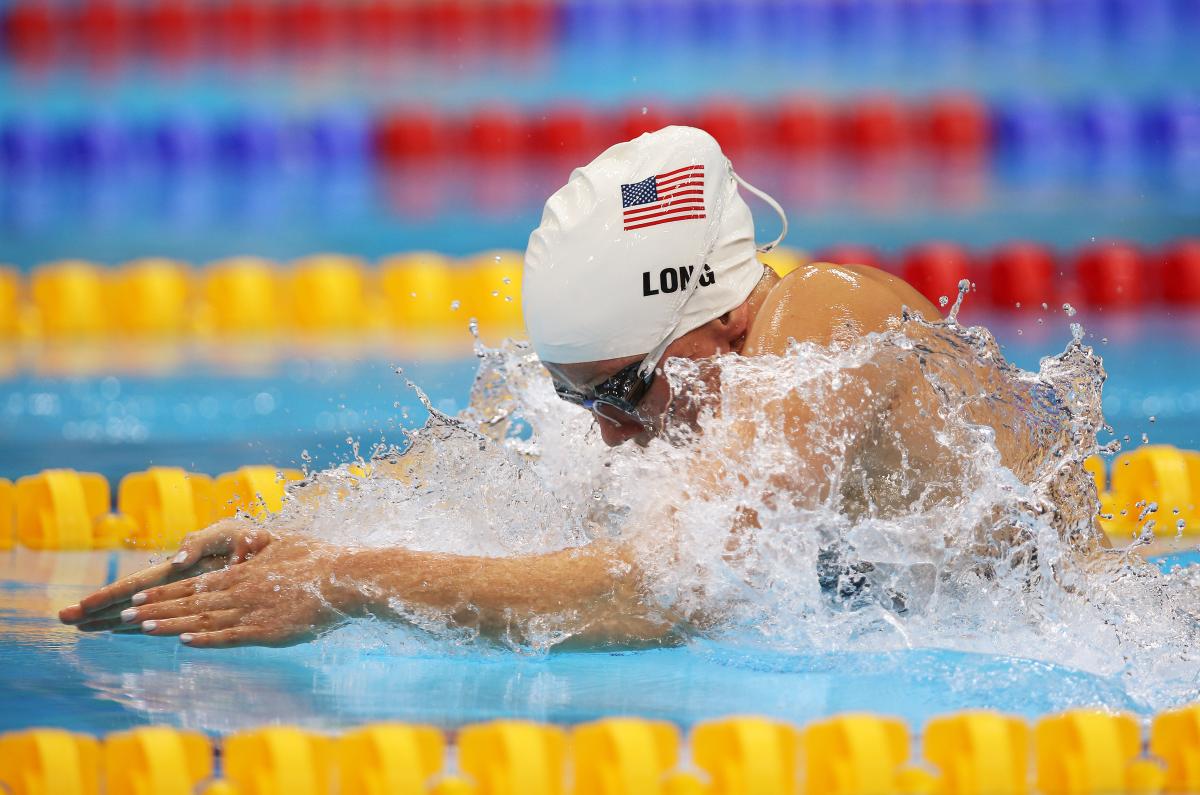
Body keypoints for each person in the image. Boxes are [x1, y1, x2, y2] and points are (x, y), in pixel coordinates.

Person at [59, 126, 950, 649]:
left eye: (627, 391)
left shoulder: (824, 320)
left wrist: (347, 581)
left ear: (719, 318)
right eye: (584, 401)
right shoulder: (716, 402)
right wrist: (298, 549)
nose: (610, 436)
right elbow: (522, 531)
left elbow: (666, 588)